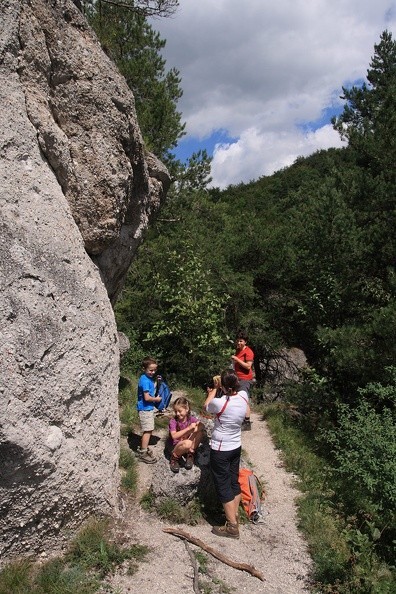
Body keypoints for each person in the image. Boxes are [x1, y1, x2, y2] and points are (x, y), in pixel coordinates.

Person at [204, 369, 248, 539]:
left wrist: (214, 389)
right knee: (233, 481)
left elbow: (206, 406)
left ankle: (232, 527)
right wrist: (225, 386)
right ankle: (234, 516)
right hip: (236, 445)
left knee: (223, 485)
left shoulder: (220, 403)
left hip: (221, 448)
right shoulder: (244, 396)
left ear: (222, 385)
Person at [136, 356, 162, 464]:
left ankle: (144, 448)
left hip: (148, 408)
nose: (153, 372)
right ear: (144, 368)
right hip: (145, 409)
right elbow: (147, 397)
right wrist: (156, 399)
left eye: (155, 370)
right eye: (151, 370)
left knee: (149, 429)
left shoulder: (147, 378)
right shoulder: (145, 380)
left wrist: (157, 381)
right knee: (148, 430)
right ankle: (143, 452)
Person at [168, 397, 205, 473]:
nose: (177, 413)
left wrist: (194, 429)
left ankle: (190, 453)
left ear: (187, 409)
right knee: (187, 443)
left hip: (187, 444)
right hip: (176, 446)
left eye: (180, 411)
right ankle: (174, 457)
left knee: (200, 432)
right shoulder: (173, 421)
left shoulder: (191, 419)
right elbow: (174, 436)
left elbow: (202, 426)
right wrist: (188, 429)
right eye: (176, 411)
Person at [231, 330, 254, 430]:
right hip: (237, 378)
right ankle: (240, 419)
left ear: (245, 342)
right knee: (236, 398)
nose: (239, 343)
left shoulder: (248, 352)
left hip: (245, 379)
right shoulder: (238, 350)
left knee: (244, 399)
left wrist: (237, 360)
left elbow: (248, 366)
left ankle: (247, 422)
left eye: (241, 341)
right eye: (238, 341)